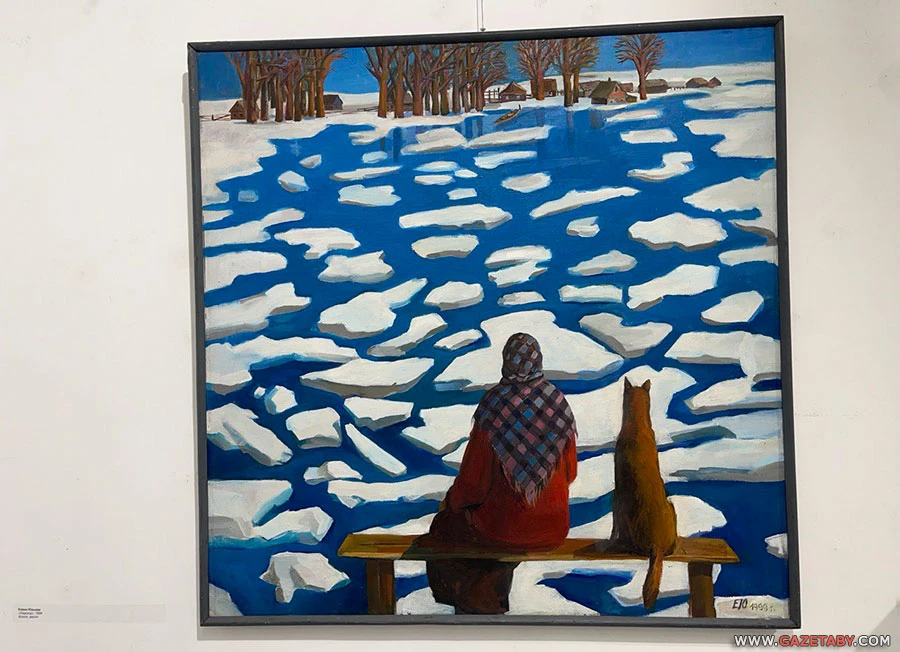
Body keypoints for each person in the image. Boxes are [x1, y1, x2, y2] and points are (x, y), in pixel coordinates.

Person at [417, 333, 578, 614]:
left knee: (446, 528)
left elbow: (473, 485)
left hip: (500, 530)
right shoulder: (558, 403)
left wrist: (451, 504)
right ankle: (488, 604)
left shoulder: (494, 406)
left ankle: (476, 609)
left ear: (506, 362)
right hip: (553, 529)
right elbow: (570, 473)